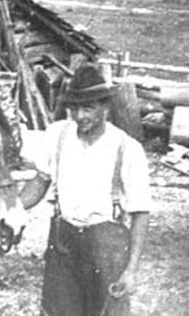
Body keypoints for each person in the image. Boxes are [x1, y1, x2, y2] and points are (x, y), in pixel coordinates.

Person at [29, 64, 152, 316]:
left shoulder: (127, 149)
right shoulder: (57, 135)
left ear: (105, 108)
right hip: (63, 243)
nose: (79, 116)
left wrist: (131, 270)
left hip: (106, 247)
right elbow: (39, 182)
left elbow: (141, 212)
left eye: (88, 108)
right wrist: (11, 211)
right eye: (74, 108)